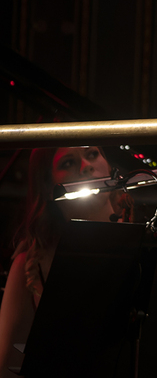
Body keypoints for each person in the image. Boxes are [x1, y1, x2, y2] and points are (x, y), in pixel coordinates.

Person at [0, 146, 131, 376]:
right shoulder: (30, 265)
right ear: (48, 187)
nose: (86, 166)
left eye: (92, 154)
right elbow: (6, 368)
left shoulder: (145, 248)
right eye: (68, 163)